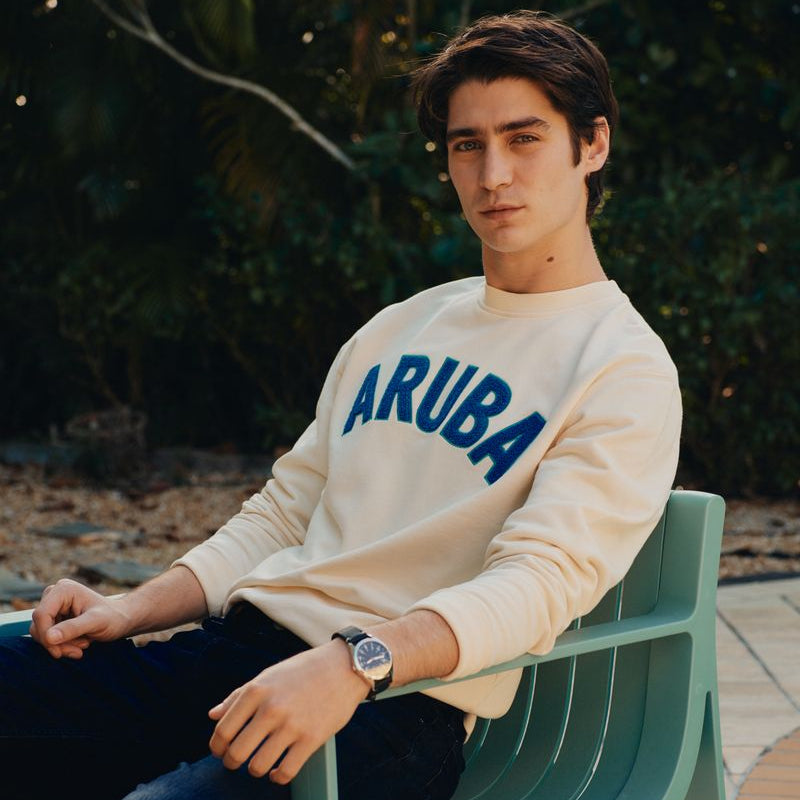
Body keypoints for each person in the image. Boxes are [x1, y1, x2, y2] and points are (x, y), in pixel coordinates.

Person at [0, 10, 681, 800]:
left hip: (387, 711)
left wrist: (355, 661)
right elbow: (281, 517)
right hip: (234, 660)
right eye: (469, 145)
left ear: (591, 145)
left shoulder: (622, 367)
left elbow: (535, 584)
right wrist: (132, 608)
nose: (493, 175)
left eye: (524, 139)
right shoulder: (399, 327)